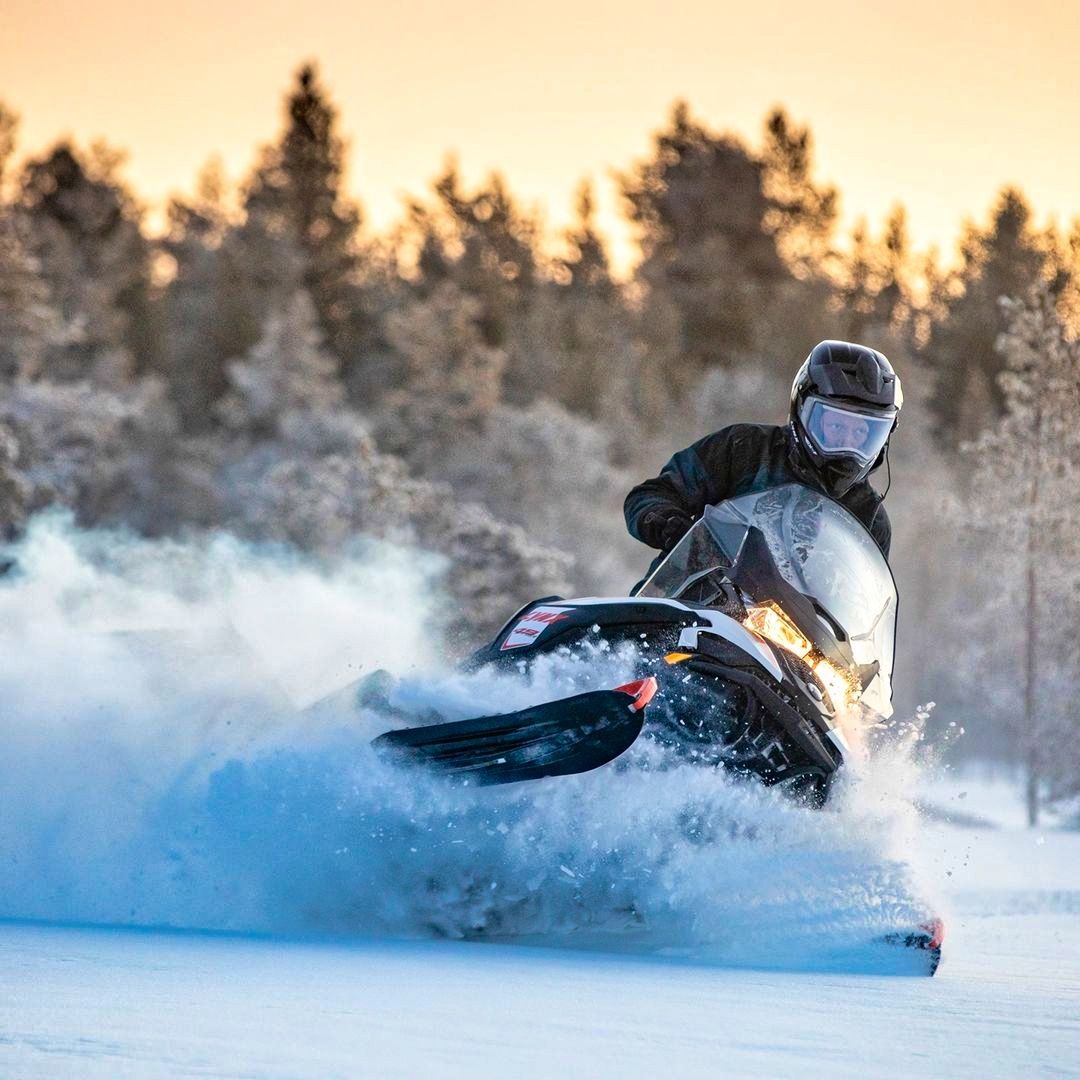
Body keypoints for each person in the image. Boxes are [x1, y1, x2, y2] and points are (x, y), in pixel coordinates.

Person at [624, 340, 902, 587]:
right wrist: (669, 525)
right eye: (837, 426)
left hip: (789, 634)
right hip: (690, 597)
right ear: (804, 413)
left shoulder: (870, 516)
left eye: (862, 433)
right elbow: (649, 495)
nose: (848, 444)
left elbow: (864, 605)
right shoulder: (744, 448)